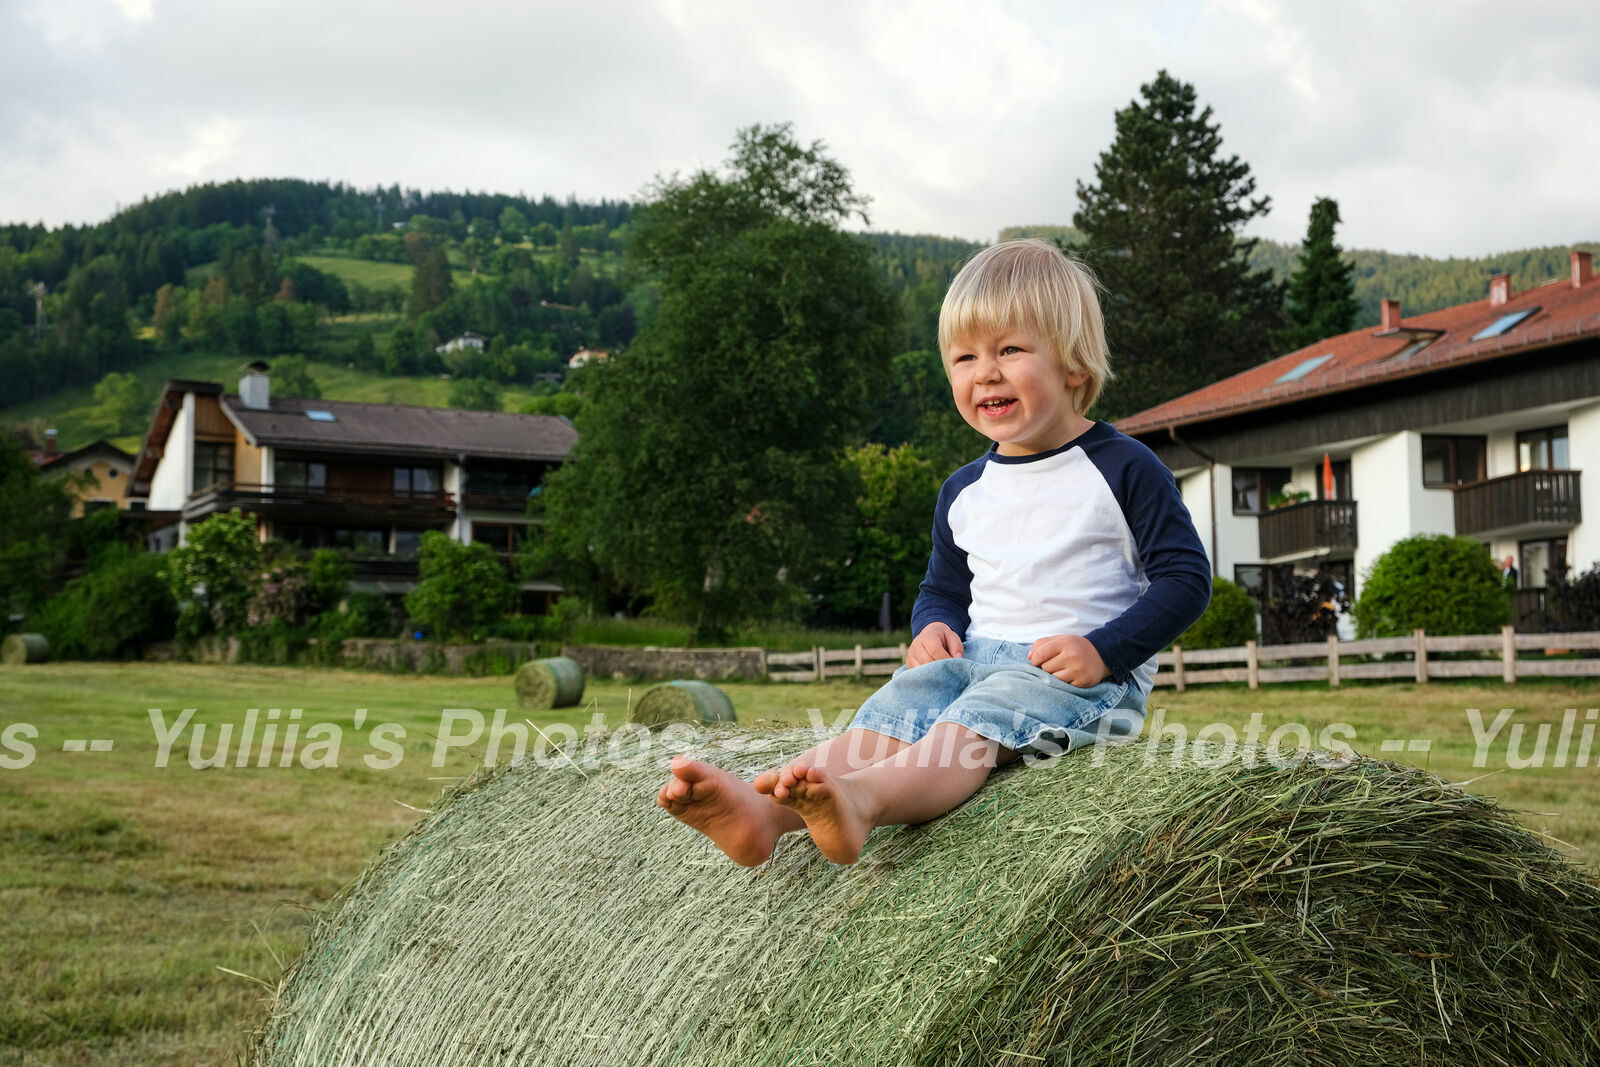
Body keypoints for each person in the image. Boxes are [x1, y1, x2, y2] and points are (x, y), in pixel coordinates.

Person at [657, 238, 1212, 866]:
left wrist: (1105, 649)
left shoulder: (1124, 468)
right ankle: (765, 813)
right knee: (894, 708)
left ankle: (862, 803)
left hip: (1082, 680)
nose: (986, 372)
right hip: (975, 659)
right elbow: (943, 591)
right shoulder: (964, 490)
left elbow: (1186, 578)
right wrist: (934, 629)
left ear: (1075, 366)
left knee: (970, 725)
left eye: (1010, 350)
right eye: (964, 357)